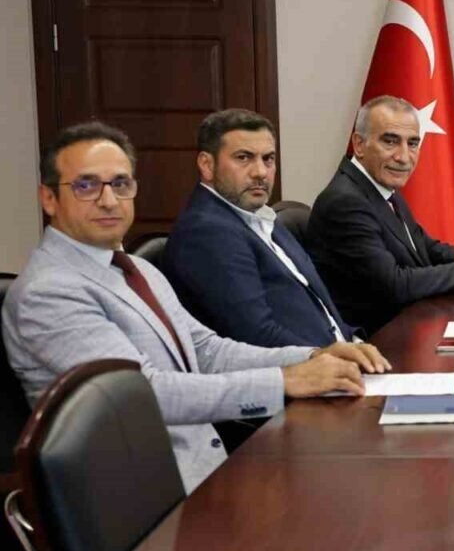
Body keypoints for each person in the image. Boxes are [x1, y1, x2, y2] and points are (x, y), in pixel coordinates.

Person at [2, 122, 389, 493]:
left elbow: (206, 349)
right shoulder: (47, 292)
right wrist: (283, 381)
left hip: (205, 470)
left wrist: (312, 356)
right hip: (142, 501)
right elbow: (143, 394)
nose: (108, 200)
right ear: (48, 198)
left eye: (120, 184)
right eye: (86, 185)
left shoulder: (135, 268)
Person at [308, 96, 454, 335]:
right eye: (390, 142)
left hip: (408, 325)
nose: (404, 157)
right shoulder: (344, 202)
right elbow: (394, 286)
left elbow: (423, 247)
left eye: (412, 143)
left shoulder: (380, 188)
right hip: (377, 341)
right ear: (359, 145)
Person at [165, 109, 358, 348]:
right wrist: (332, 357)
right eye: (243, 158)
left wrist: (354, 341)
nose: (260, 172)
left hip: (337, 357)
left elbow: (319, 306)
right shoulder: (206, 232)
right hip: (301, 367)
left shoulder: (260, 216)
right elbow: (255, 335)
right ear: (207, 165)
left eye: (268, 159)